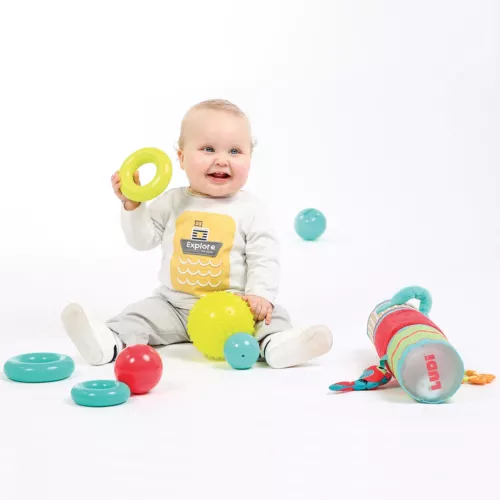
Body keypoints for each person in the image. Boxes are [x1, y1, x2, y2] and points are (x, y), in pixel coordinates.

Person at [61, 99, 333, 368]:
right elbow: (141, 241)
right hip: (176, 306)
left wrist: (260, 296)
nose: (221, 160)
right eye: (208, 149)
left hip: (236, 310)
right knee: (139, 315)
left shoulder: (252, 209)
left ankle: (279, 346)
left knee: (274, 317)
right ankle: (106, 341)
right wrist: (133, 205)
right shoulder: (172, 202)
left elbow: (265, 257)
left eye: (235, 151)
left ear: (250, 158)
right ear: (181, 158)